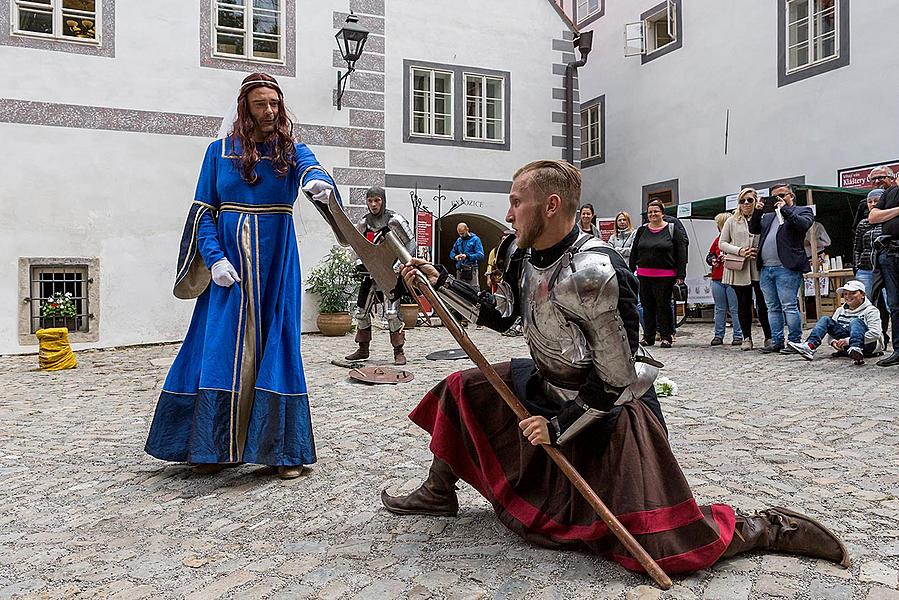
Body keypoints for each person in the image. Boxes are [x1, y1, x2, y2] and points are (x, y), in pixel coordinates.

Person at [380, 159, 848, 576]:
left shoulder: (595, 272)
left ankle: (766, 528)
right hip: (549, 380)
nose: (507, 214)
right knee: (462, 389)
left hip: (610, 405)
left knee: (664, 544)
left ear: (551, 205)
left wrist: (558, 428)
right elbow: (504, 315)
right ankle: (439, 489)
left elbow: (619, 378)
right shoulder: (521, 254)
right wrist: (440, 284)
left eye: (516, 202)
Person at [145, 73, 340, 479]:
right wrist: (214, 259)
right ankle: (212, 446)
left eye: (274, 104)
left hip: (275, 264)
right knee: (219, 349)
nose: (269, 111)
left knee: (278, 343)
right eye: (260, 104)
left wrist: (319, 182)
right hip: (230, 269)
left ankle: (282, 451)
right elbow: (203, 211)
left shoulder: (292, 151)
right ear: (244, 110)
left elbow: (312, 168)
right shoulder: (218, 152)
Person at [344, 186, 416, 366]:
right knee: (360, 313)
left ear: (383, 200)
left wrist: (401, 264)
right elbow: (356, 246)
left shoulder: (395, 220)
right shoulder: (363, 223)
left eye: (377, 200)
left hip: (390, 275)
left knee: (392, 314)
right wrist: (358, 263)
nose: (374, 204)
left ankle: (398, 351)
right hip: (370, 274)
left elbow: (411, 242)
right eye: (370, 201)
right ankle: (363, 348)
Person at [749, 183, 814, 354]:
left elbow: (802, 225)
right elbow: (754, 229)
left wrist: (785, 209)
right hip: (766, 268)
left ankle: (794, 342)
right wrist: (758, 211)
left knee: (789, 305)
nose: (778, 199)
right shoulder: (769, 216)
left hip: (787, 267)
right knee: (772, 307)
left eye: (782, 195)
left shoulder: (802, 211)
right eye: (774, 197)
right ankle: (776, 340)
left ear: (791, 196)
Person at [629, 199, 687, 348]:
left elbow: (681, 254)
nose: (653, 214)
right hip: (643, 274)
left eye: (656, 211)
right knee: (647, 306)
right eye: (650, 212)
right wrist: (630, 271)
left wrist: (680, 276)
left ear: (662, 213)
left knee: (663, 306)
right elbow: (635, 251)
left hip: (665, 276)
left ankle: (666, 336)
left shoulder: (672, 230)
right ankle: (649, 336)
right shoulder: (642, 230)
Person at [720, 188, 772, 351]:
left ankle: (769, 337)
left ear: (756, 201)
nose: (747, 203)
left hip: (759, 265)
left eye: (750, 200)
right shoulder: (732, 221)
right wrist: (740, 250)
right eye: (743, 201)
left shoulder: (763, 218)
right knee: (743, 303)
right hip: (740, 267)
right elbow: (722, 243)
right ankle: (746, 338)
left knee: (763, 304)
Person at [787, 280, 883, 365]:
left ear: (862, 294)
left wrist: (848, 341)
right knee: (825, 319)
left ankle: (856, 348)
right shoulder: (840, 310)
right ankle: (810, 346)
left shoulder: (871, 310)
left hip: (867, 346)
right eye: (845, 294)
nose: (848, 296)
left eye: (852, 293)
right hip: (845, 346)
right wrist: (833, 342)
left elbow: (876, 333)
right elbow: (830, 331)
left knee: (856, 322)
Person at [868, 167, 899, 367]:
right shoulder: (890, 193)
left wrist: (886, 215)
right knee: (895, 306)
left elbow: (880, 215)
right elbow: (873, 217)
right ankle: (898, 350)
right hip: (890, 254)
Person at [707, 212, 743, 346]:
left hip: (733, 277)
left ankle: (738, 335)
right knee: (719, 308)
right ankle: (718, 335)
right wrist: (713, 260)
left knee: (735, 308)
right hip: (717, 277)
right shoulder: (717, 240)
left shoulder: (735, 240)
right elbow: (709, 255)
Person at [854, 190, 885, 297]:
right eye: (869, 201)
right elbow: (857, 248)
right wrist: (857, 267)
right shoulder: (863, 223)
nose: (873, 204)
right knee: (865, 301)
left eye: (876, 200)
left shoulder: (890, 221)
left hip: (885, 268)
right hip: (865, 269)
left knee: (891, 302)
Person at [450, 222, 485, 292]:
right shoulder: (458, 240)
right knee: (460, 291)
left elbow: (481, 255)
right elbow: (451, 253)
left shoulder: (475, 240)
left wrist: (467, 256)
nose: (461, 235)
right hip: (460, 270)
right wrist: (455, 256)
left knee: (473, 291)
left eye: (462, 233)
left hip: (471, 270)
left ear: (467, 229)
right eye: (459, 233)